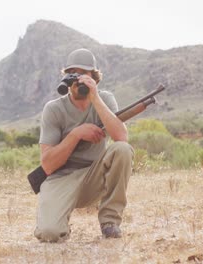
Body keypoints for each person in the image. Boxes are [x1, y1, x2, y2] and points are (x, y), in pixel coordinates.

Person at [34, 48, 133, 242]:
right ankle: (60, 221)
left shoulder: (104, 99)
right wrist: (76, 134)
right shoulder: (53, 109)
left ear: (94, 78)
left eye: (84, 74)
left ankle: (110, 222)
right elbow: (47, 164)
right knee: (49, 233)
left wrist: (95, 98)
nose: (78, 79)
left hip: (93, 176)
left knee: (122, 149)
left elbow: (121, 136)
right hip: (61, 178)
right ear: (67, 79)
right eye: (73, 73)